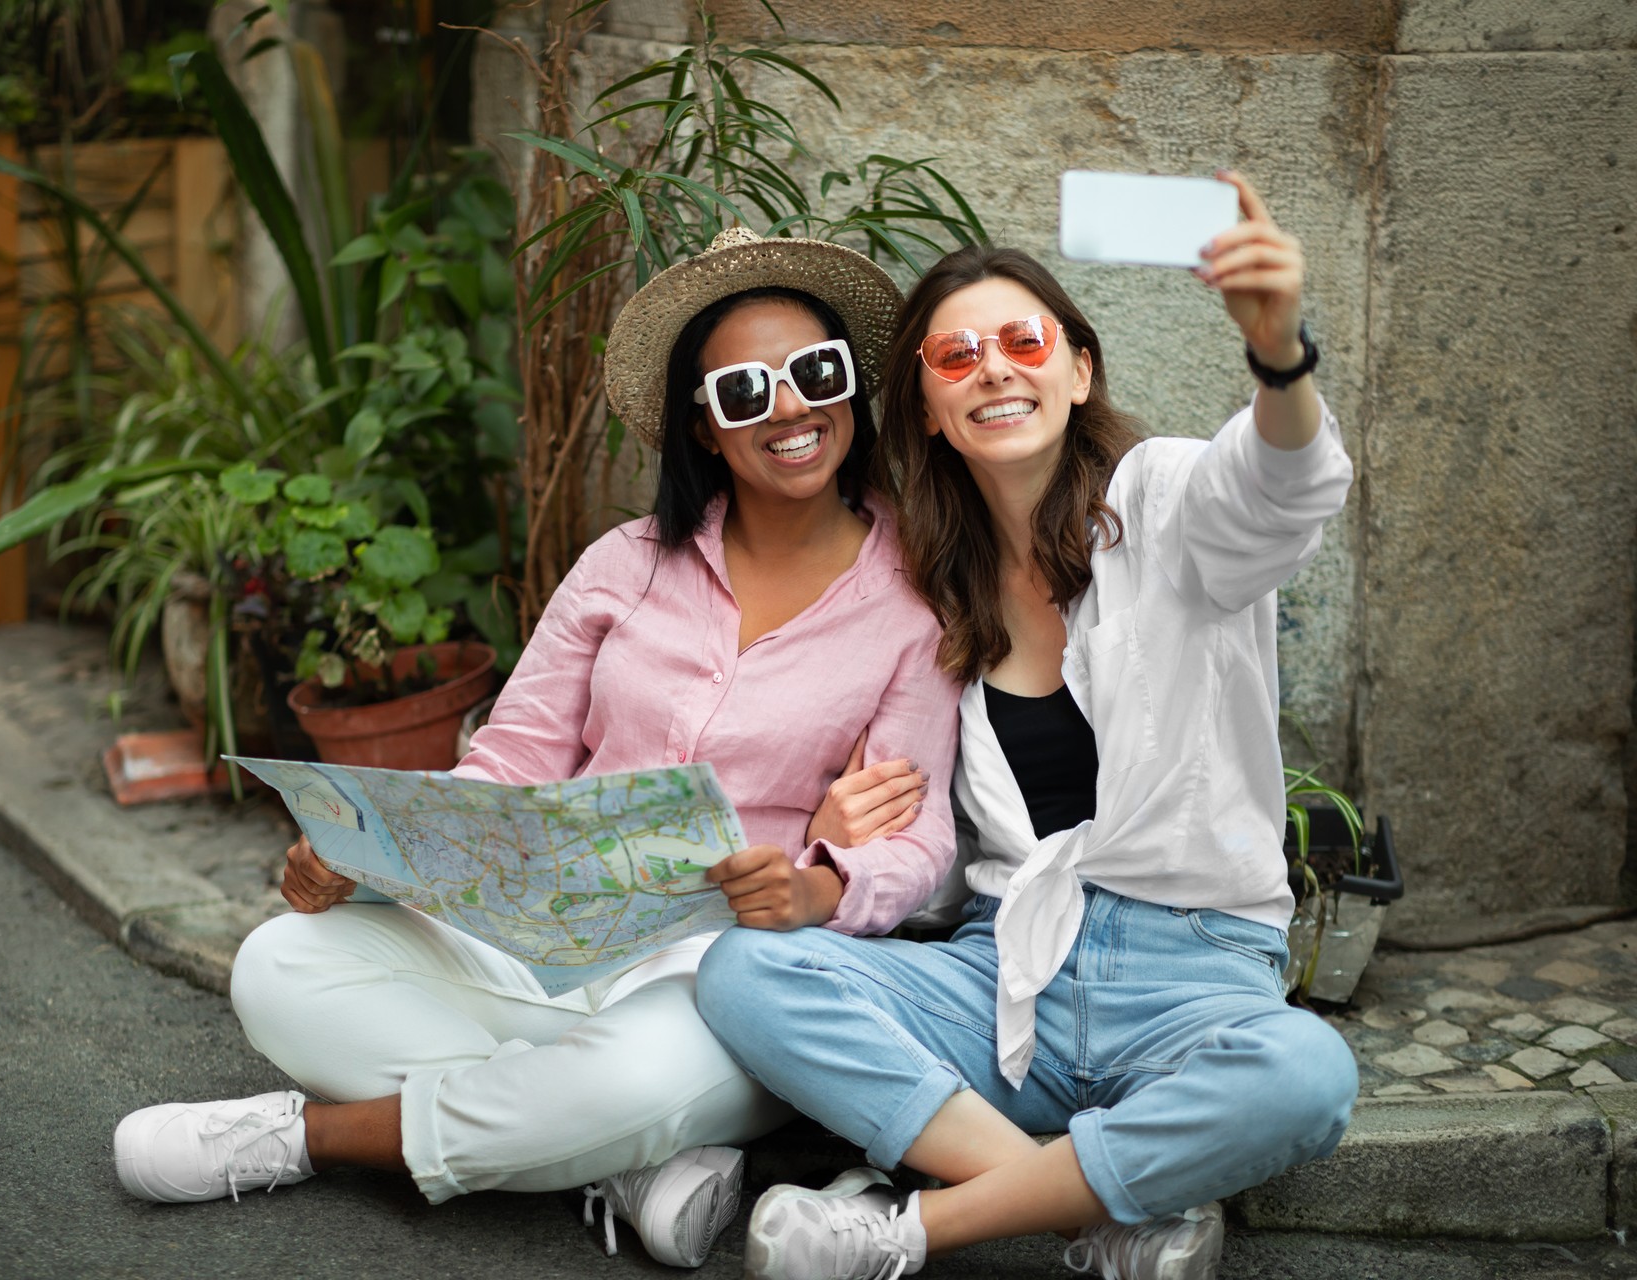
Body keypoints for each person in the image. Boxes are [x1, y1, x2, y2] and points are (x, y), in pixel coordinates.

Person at [109, 227, 965, 1270]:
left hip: (728, 970)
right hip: (546, 933)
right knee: (278, 964)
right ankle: (608, 1158)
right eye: (745, 391)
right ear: (704, 427)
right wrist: (377, 852)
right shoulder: (625, 564)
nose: (788, 408)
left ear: (851, 387)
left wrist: (819, 886)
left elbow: (916, 845)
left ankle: (306, 1137)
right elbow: (511, 756)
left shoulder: (912, 602)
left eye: (814, 373)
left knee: (634, 1079)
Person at [697, 172, 1359, 1280]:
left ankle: (904, 1230)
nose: (994, 367)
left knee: (1306, 1074)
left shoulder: (1164, 501)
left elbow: (1281, 492)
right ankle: (1101, 1217)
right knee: (745, 974)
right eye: (956, 357)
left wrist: (1279, 353)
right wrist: (834, 831)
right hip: (1005, 968)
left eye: (1023, 338)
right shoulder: (927, 583)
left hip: (1189, 967)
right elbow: (917, 842)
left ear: (1078, 365)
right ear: (923, 404)